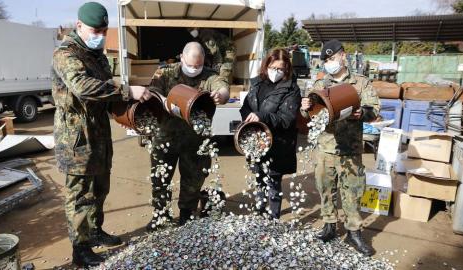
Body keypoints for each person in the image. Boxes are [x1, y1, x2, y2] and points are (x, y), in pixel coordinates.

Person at [52, 2, 151, 267]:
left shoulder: (98, 57)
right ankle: (80, 248)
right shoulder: (65, 53)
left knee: (100, 188)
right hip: (77, 137)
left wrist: (128, 111)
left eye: (104, 31)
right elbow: (84, 88)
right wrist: (127, 91)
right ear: (79, 25)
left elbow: (106, 92)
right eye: (96, 30)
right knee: (80, 193)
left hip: (100, 133)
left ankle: (95, 231)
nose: (101, 35)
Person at [300, 39, 380, 256]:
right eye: (325, 60)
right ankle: (329, 225)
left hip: (350, 148)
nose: (328, 63)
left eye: (332, 58)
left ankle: (354, 232)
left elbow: (374, 109)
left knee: (352, 191)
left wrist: (361, 113)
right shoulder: (320, 85)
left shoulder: (360, 83)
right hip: (326, 148)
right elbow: (309, 114)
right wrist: (305, 107)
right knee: (325, 188)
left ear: (343, 56)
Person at [146, 42, 229, 231]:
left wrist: (220, 96)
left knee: (193, 179)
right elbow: (153, 92)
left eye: (198, 66)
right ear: (182, 58)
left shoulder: (209, 75)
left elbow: (222, 87)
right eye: (190, 65)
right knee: (161, 179)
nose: (194, 69)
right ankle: (161, 216)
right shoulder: (165, 72)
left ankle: (186, 215)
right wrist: (164, 101)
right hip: (165, 136)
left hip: (195, 140)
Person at [240, 48, 301, 219]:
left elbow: (286, 119)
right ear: (266, 66)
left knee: (273, 180)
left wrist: (261, 116)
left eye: (280, 69)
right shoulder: (257, 83)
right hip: (257, 142)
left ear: (286, 69)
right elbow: (246, 107)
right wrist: (248, 119)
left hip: (278, 143)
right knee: (259, 177)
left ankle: (273, 216)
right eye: (273, 68)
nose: (276, 72)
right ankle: (259, 211)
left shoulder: (292, 90)